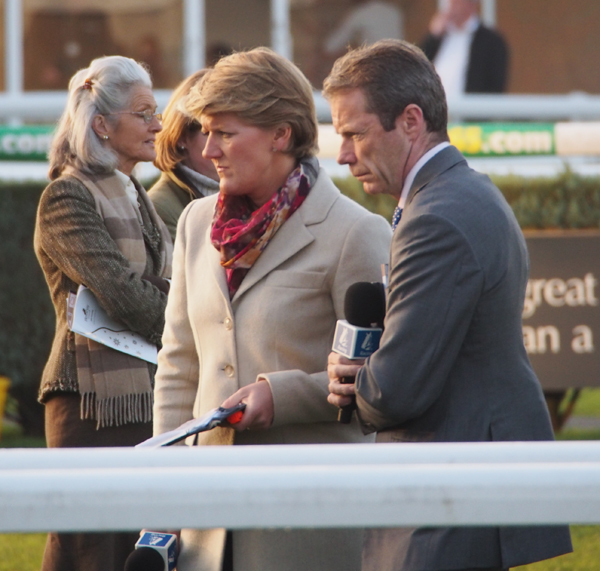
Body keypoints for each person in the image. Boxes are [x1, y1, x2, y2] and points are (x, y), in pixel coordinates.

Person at [324, 40, 572, 571]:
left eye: (354, 133)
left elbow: (397, 389)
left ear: (411, 122)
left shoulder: (436, 215)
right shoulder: (464, 192)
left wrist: (351, 382)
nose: (343, 155)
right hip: (466, 488)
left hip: (449, 499)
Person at [153, 47, 392, 571]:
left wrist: (278, 394)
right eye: (206, 131)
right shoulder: (195, 223)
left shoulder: (357, 233)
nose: (209, 148)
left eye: (226, 133)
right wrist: (163, 494)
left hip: (306, 522)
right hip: (205, 526)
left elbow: (378, 382)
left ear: (282, 134)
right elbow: (179, 366)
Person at [34, 55, 172, 571]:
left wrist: (161, 294)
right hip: (90, 408)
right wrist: (178, 313)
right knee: (89, 552)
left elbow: (146, 291)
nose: (158, 124)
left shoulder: (137, 193)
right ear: (102, 125)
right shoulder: (65, 197)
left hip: (146, 398)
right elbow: (125, 296)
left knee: (135, 552)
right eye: (144, 113)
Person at [149, 69, 220, 241]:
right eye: (209, 133)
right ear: (181, 137)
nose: (221, 147)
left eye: (229, 134)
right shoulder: (159, 208)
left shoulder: (245, 195)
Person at [420, 0, 508, 97]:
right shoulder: (439, 37)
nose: (451, 5)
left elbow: (495, 87)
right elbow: (419, 66)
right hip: (435, 108)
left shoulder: (491, 42)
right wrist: (433, 37)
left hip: (469, 109)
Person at [324, 0, 403, 56]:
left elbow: (331, 46)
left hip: (374, 63)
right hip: (397, 61)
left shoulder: (361, 13)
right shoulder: (393, 11)